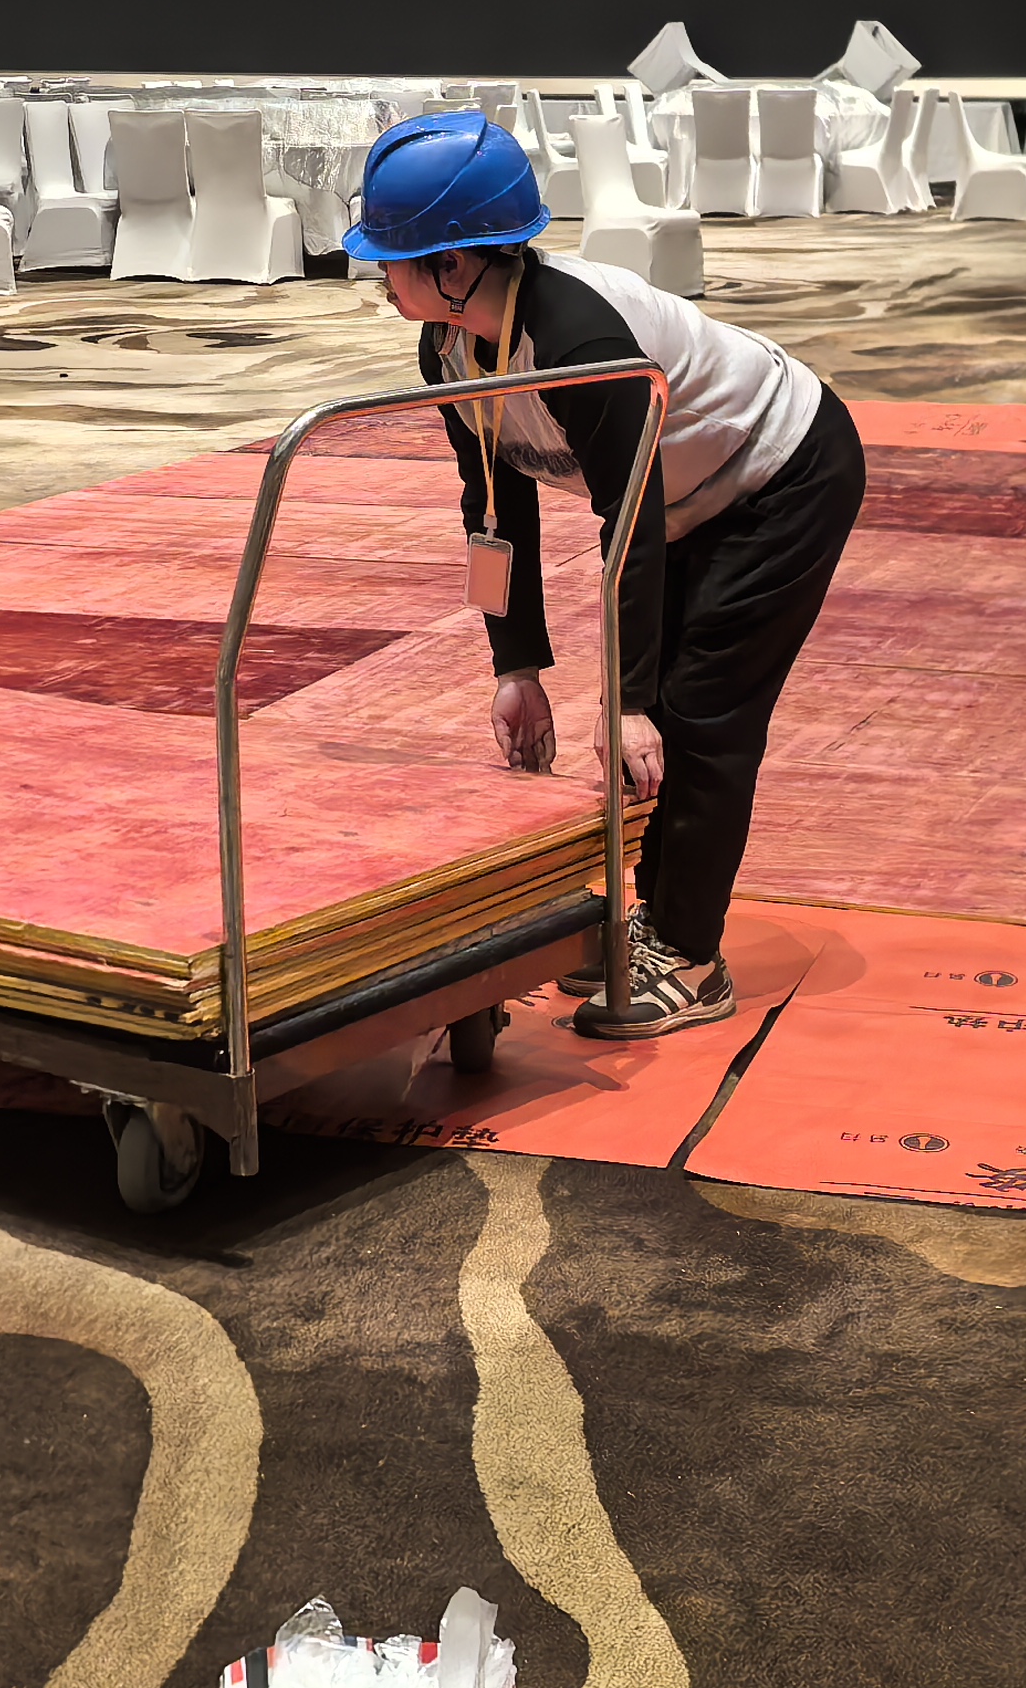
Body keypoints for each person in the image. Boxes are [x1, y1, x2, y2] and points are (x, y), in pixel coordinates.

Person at [347, 110, 864, 1041]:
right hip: (680, 501)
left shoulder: (583, 344)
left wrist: (624, 699)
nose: (380, 280)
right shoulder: (450, 347)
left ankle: (690, 954)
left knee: (697, 712)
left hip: (781, 474)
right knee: (658, 706)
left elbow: (626, 524)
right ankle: (655, 922)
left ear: (453, 265)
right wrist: (515, 665)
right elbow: (492, 509)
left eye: (392, 260)